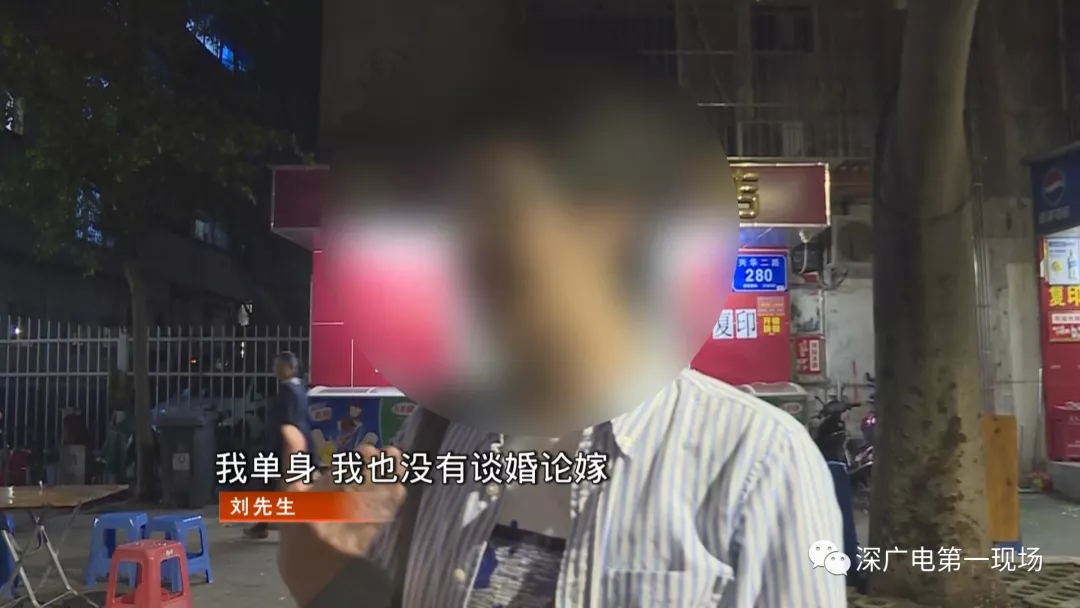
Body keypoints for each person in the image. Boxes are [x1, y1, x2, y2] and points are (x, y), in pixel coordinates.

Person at [276, 52, 846, 607]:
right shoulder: (438, 432)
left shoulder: (757, 461)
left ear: (614, 222)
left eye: (496, 206)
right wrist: (317, 571)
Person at [244, 351, 318, 540]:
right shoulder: (300, 388)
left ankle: (266, 526)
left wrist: (284, 449)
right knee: (281, 486)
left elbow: (288, 422)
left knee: (273, 485)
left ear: (290, 367)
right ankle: (264, 525)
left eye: (279, 365)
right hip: (299, 445)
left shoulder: (288, 390)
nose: (275, 369)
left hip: (285, 447)